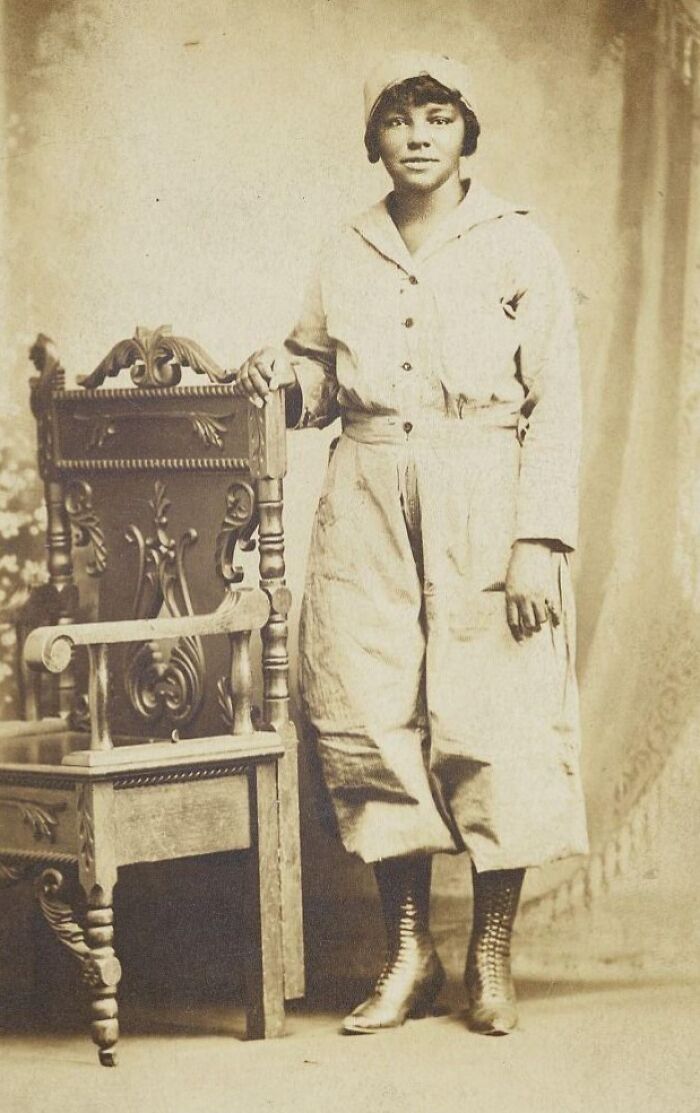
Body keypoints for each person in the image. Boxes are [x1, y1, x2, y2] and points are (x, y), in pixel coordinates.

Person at [235, 51, 589, 1037]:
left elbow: (555, 400)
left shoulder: (518, 245)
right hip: (365, 492)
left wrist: (538, 538)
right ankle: (407, 951)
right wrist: (284, 378)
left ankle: (488, 954)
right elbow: (316, 383)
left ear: (468, 132)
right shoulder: (345, 245)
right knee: (365, 711)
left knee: (493, 718)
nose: (419, 136)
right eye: (398, 119)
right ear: (373, 140)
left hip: (486, 488)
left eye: (438, 116)